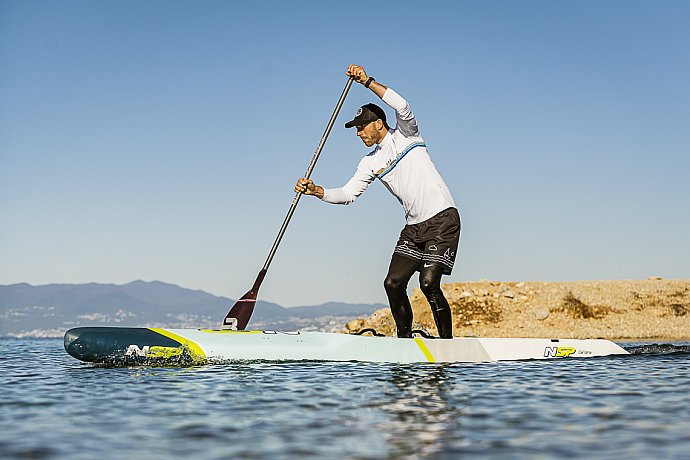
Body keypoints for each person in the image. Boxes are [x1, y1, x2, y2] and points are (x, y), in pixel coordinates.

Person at [295, 64, 461, 339]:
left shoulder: (407, 135)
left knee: (429, 284)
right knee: (393, 283)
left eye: (361, 127)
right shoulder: (370, 162)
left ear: (378, 123)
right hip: (413, 227)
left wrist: (367, 81)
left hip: (443, 218)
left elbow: (403, 105)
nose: (358, 133)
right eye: (356, 129)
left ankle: (448, 344)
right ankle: (404, 341)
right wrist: (316, 190)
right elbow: (348, 194)